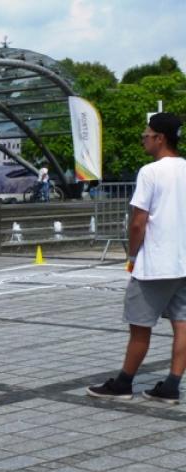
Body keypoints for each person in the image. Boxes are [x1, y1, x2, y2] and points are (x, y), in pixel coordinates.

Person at [87, 112, 186, 404]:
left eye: (146, 135)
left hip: (155, 263)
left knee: (139, 327)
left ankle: (124, 384)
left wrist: (132, 255)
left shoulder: (150, 172)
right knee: (182, 324)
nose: (143, 139)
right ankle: (171, 386)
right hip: (183, 262)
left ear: (160, 138)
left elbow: (137, 223)